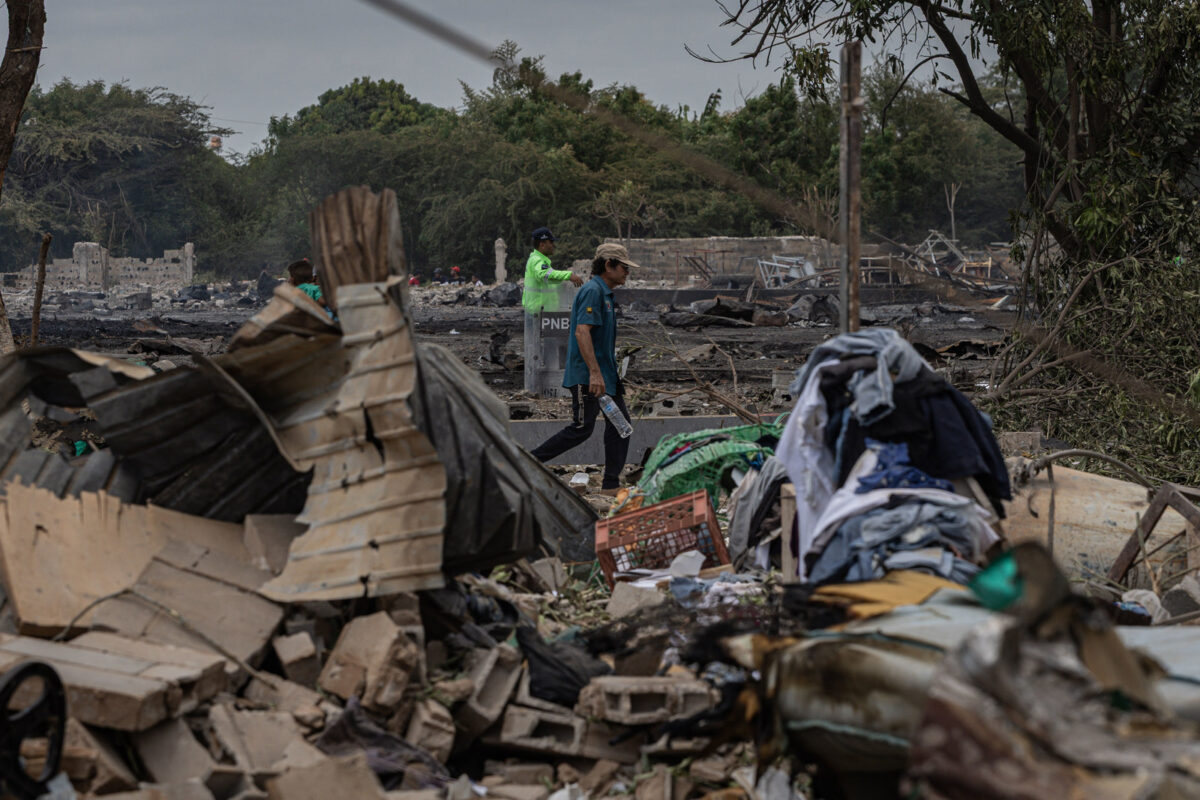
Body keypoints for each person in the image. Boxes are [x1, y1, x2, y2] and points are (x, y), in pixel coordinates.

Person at [530, 242, 638, 493]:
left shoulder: (606, 294)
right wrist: (594, 373)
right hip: (588, 376)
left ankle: (611, 484)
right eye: (624, 267)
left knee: (621, 426)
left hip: (606, 377)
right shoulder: (593, 292)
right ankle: (528, 462)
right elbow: (582, 332)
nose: (627, 272)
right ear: (608, 265)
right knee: (581, 429)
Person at [521, 226, 582, 314]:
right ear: (542, 245)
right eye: (551, 242)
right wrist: (568, 275)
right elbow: (544, 274)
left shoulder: (541, 261)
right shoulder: (537, 260)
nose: (554, 245)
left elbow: (549, 282)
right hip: (538, 315)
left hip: (545, 314)